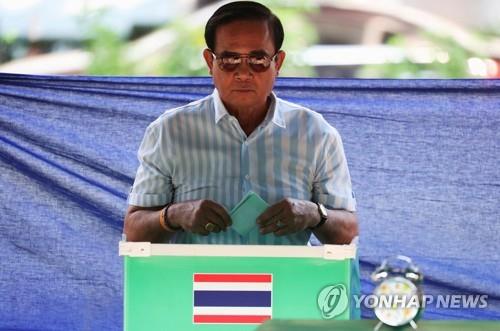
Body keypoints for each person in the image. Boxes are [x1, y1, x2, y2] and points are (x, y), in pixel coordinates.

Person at [124, 1, 358, 245]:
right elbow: (134, 233)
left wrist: (315, 214)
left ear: (277, 63)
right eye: (229, 60)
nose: (244, 73)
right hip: (196, 282)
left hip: (289, 281)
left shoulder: (316, 133)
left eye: (258, 60)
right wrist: (174, 215)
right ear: (209, 62)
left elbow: (348, 233)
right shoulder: (170, 132)